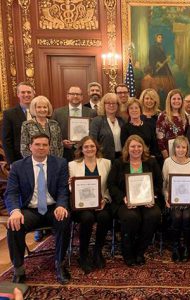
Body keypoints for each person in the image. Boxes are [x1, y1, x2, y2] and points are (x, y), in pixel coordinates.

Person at [5, 134, 70, 284]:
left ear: (49, 147)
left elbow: (63, 189)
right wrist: (15, 211)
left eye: (44, 145)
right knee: (14, 225)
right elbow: (11, 192)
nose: (41, 148)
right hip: (30, 210)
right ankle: (19, 269)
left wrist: (61, 205)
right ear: (30, 147)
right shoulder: (18, 166)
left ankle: (60, 264)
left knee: (64, 219)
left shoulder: (60, 163)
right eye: (37, 144)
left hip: (52, 207)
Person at [107, 135, 162, 266]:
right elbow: (111, 185)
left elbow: (159, 183)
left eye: (139, 146)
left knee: (153, 215)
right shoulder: (119, 163)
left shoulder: (151, 162)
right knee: (131, 217)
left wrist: (153, 196)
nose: (136, 149)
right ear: (127, 148)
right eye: (133, 146)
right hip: (126, 201)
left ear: (143, 148)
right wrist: (123, 198)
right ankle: (127, 251)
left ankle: (140, 250)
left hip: (147, 200)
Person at [68, 136, 112, 273]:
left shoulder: (106, 163)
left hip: (100, 202)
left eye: (92, 146)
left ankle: (97, 252)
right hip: (82, 205)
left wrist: (104, 200)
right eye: (86, 146)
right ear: (81, 149)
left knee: (105, 217)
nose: (89, 149)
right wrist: (71, 185)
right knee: (87, 218)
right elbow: (71, 188)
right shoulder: (73, 165)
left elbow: (109, 186)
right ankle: (83, 254)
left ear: (96, 148)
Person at [162, 136, 190, 262]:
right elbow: (164, 185)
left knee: (187, 217)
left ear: (187, 148)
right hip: (172, 200)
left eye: (183, 147)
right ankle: (176, 246)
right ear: (174, 148)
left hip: (189, 201)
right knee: (177, 216)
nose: (181, 150)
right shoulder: (167, 162)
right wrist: (166, 198)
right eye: (178, 147)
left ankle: (187, 247)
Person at [52, 86, 97, 162]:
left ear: (82, 97)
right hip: (65, 152)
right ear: (67, 96)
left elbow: (95, 132)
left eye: (78, 94)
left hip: (86, 151)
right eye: (72, 94)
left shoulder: (92, 112)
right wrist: (62, 142)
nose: (75, 96)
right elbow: (53, 133)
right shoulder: (57, 113)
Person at [2, 82, 35, 165]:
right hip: (19, 159)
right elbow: (6, 140)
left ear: (33, 94)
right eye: (23, 92)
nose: (26, 95)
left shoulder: (41, 111)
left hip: (40, 157)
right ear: (18, 94)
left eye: (29, 92)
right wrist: (11, 163)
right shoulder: (9, 114)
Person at [89, 93, 126, 161]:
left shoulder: (122, 121)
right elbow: (92, 140)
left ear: (118, 105)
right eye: (108, 103)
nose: (111, 105)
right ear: (103, 105)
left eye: (114, 103)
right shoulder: (97, 121)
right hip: (103, 158)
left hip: (121, 158)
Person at [156, 89, 187, 160]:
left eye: (179, 99)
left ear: (182, 101)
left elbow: (185, 136)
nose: (176, 101)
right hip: (167, 152)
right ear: (169, 101)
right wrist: (165, 153)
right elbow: (159, 137)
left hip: (181, 152)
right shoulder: (163, 116)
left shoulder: (184, 116)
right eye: (174, 99)